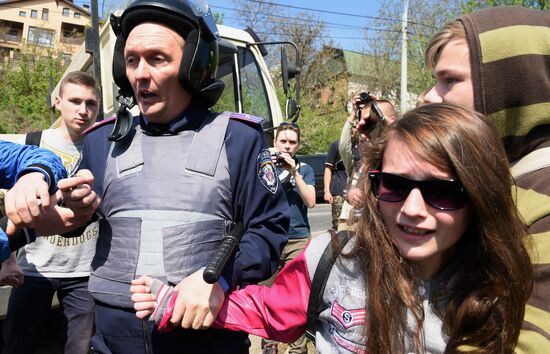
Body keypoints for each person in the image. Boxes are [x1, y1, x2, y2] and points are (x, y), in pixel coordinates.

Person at [132, 104, 533, 353]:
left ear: (482, 196)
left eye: (441, 192)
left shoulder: (509, 288)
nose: (412, 210)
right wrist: (174, 301)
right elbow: (270, 310)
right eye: (393, 185)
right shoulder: (333, 259)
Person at [75, 0, 289, 352]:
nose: (140, 74)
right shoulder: (100, 141)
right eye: (131, 60)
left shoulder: (238, 139)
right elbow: (70, 219)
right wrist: (62, 209)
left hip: (206, 339)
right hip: (112, 342)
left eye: (157, 58)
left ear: (195, 65)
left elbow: (268, 229)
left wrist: (219, 278)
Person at [422, 6, 550, 352]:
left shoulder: (543, 196)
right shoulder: (504, 183)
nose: (429, 96)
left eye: (449, 80)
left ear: (510, 88)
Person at [2, 71, 100, 354]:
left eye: (91, 103)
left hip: (84, 273)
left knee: (80, 350)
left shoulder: (105, 148)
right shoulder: (30, 143)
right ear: (57, 101)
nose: (83, 110)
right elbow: (10, 206)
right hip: (32, 269)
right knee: (19, 347)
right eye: (75, 101)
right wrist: (8, 260)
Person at [261, 122, 315, 354]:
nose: (287, 146)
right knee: (267, 296)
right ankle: (269, 345)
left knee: (296, 299)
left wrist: (294, 172)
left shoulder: (304, 169)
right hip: (270, 238)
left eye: (292, 142)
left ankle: (297, 349)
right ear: (275, 142)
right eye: (283, 141)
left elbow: (311, 201)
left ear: (298, 145)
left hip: (297, 240)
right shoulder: (263, 167)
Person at [338, 93, 397, 230]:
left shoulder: (395, 163)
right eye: (360, 125)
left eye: (371, 125)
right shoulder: (357, 165)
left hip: (374, 228)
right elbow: (343, 146)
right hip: (349, 224)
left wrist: (380, 111)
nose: (362, 133)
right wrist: (350, 192)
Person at [323, 140, 346, 230]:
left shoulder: (365, 144)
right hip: (340, 192)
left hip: (360, 193)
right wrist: (327, 191)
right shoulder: (337, 145)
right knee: (339, 226)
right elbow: (328, 168)